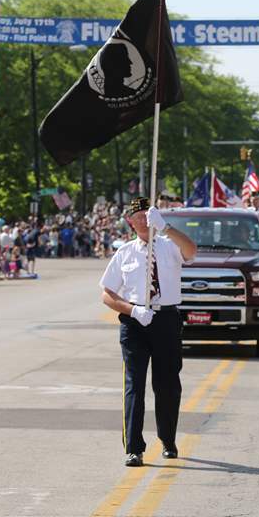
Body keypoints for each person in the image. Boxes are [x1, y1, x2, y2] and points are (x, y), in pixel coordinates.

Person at [99, 197, 197, 467]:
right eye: (137, 216)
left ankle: (168, 439)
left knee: (167, 384)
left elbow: (192, 250)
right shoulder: (125, 253)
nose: (143, 220)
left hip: (165, 318)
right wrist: (132, 310)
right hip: (135, 322)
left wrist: (166, 228)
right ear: (130, 222)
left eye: (147, 214)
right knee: (134, 385)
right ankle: (133, 447)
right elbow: (107, 295)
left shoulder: (169, 246)